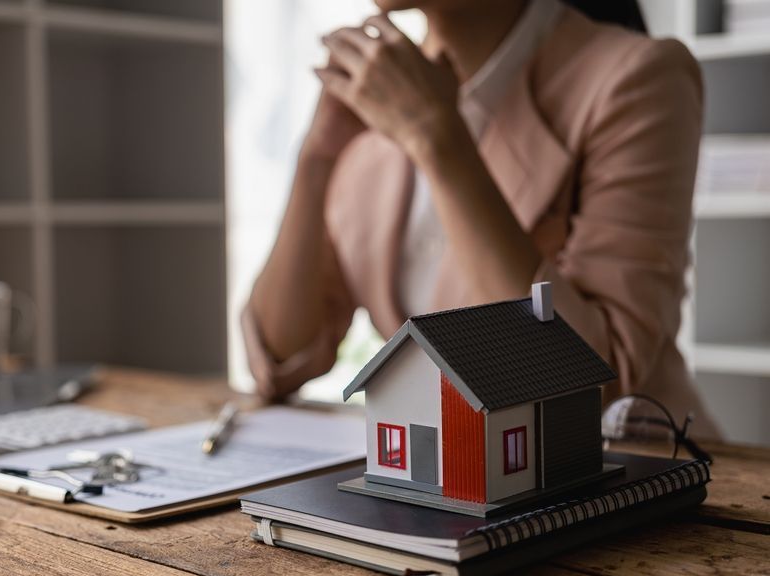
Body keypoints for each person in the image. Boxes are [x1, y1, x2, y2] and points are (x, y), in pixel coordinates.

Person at [242, 0, 722, 440]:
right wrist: (316, 160)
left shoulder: (638, 78)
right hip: (447, 481)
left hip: (635, 479)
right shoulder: (382, 87)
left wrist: (436, 140)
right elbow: (281, 359)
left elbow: (597, 385)